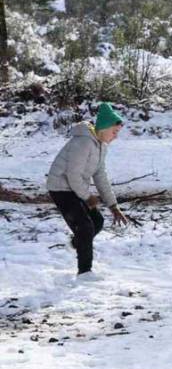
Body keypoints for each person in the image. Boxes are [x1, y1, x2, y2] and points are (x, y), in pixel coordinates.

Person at [46, 102, 130, 279]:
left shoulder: (101, 146)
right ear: (104, 128)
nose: (115, 137)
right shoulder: (83, 142)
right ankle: (85, 272)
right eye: (114, 132)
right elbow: (73, 175)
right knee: (85, 226)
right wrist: (87, 197)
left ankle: (77, 243)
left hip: (74, 186)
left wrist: (113, 206)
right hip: (60, 187)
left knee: (97, 221)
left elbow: (100, 176)